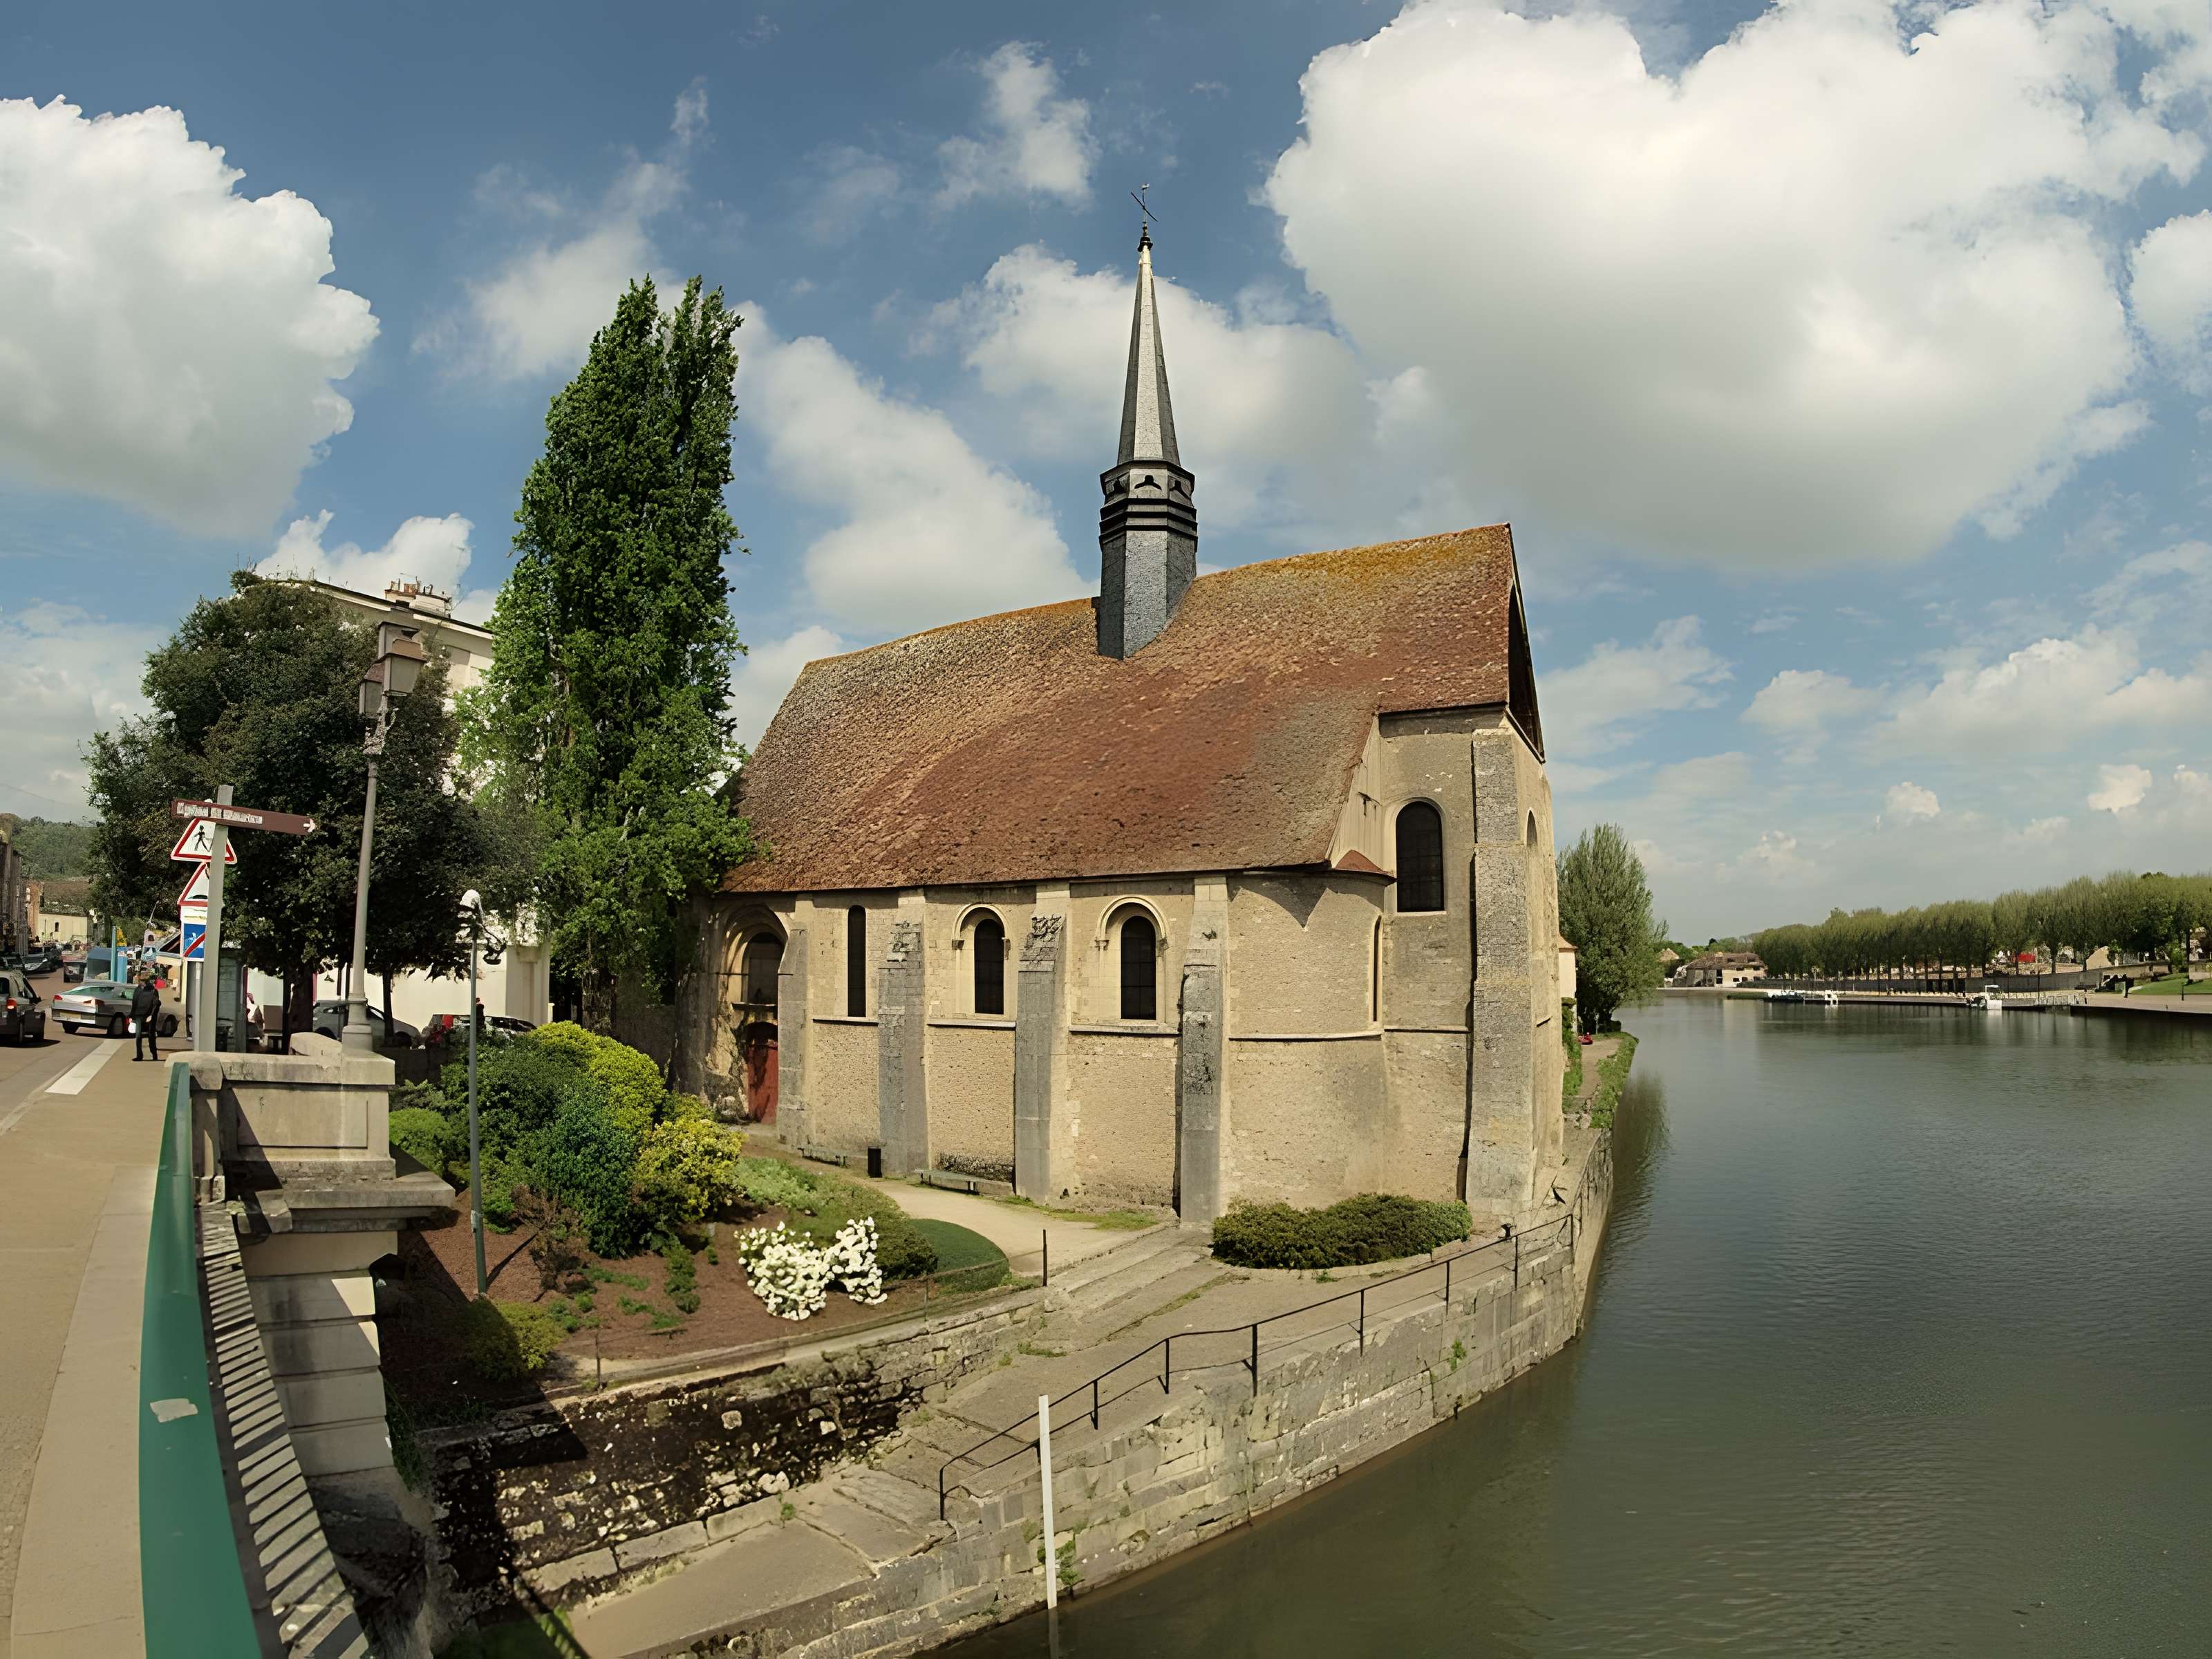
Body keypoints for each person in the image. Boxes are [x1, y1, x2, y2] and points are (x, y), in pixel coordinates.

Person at [131, 973, 162, 1062]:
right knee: (138, 1036)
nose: (143, 983)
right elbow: (134, 1003)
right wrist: (132, 1016)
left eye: (144, 981)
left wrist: (152, 1015)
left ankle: (154, 1055)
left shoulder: (153, 991)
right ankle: (139, 1056)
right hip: (139, 1015)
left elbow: (156, 1004)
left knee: (151, 1036)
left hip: (149, 1016)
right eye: (141, 981)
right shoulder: (137, 990)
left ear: (148, 981)